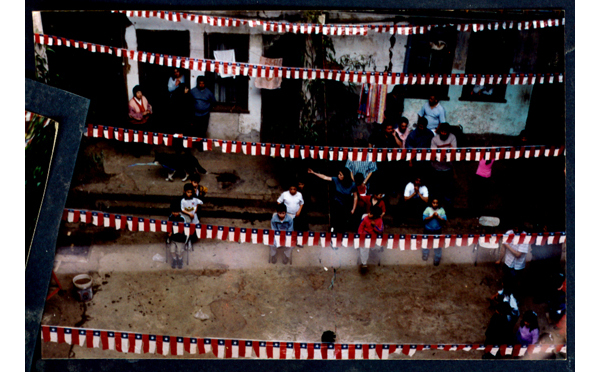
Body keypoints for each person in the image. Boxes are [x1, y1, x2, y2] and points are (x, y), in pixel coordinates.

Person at [308, 167, 358, 234]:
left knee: (343, 223)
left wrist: (353, 209)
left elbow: (355, 197)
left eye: (340, 174)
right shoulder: (336, 179)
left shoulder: (352, 184)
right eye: (339, 174)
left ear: (345, 176)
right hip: (336, 203)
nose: (338, 176)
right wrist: (313, 173)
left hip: (346, 204)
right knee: (335, 220)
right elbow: (325, 177)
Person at [496, 224, 530, 299]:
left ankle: (512, 299)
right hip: (508, 262)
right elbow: (503, 248)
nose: (516, 230)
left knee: (513, 284)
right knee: (506, 280)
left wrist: (507, 245)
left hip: (517, 266)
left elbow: (518, 254)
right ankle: (504, 295)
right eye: (515, 228)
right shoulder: (509, 233)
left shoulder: (525, 237)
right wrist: (499, 259)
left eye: (518, 229)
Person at [430, 122, 457, 208]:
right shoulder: (435, 139)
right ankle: (436, 207)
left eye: (445, 132)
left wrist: (442, 154)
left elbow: (453, 151)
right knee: (436, 189)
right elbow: (434, 154)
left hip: (447, 168)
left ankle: (448, 208)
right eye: (442, 131)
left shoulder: (452, 137)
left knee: (448, 190)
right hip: (436, 168)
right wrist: (445, 154)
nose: (443, 133)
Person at [357, 205, 384, 271]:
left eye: (371, 214)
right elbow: (360, 227)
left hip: (374, 238)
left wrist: (374, 226)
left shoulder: (379, 220)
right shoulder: (365, 218)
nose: (369, 214)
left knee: (376, 247)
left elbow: (381, 231)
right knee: (364, 248)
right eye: (370, 212)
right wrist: (361, 235)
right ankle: (364, 263)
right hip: (365, 237)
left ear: (375, 216)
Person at [422, 198, 447, 266]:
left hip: (437, 230)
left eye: (437, 203)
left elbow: (444, 220)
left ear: (439, 203)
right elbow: (424, 219)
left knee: (438, 244)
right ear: (431, 203)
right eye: (434, 203)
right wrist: (432, 216)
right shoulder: (428, 209)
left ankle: (437, 258)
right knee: (426, 242)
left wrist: (438, 217)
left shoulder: (441, 210)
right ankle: (425, 254)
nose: (435, 204)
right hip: (428, 229)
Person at [167, 201, 187, 269]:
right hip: (173, 237)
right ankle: (174, 259)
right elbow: (168, 226)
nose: (175, 213)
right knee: (172, 250)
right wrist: (169, 232)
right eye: (173, 212)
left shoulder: (182, 219)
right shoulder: (170, 217)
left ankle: (180, 259)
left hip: (180, 237)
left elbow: (184, 229)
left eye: (177, 212)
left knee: (179, 251)